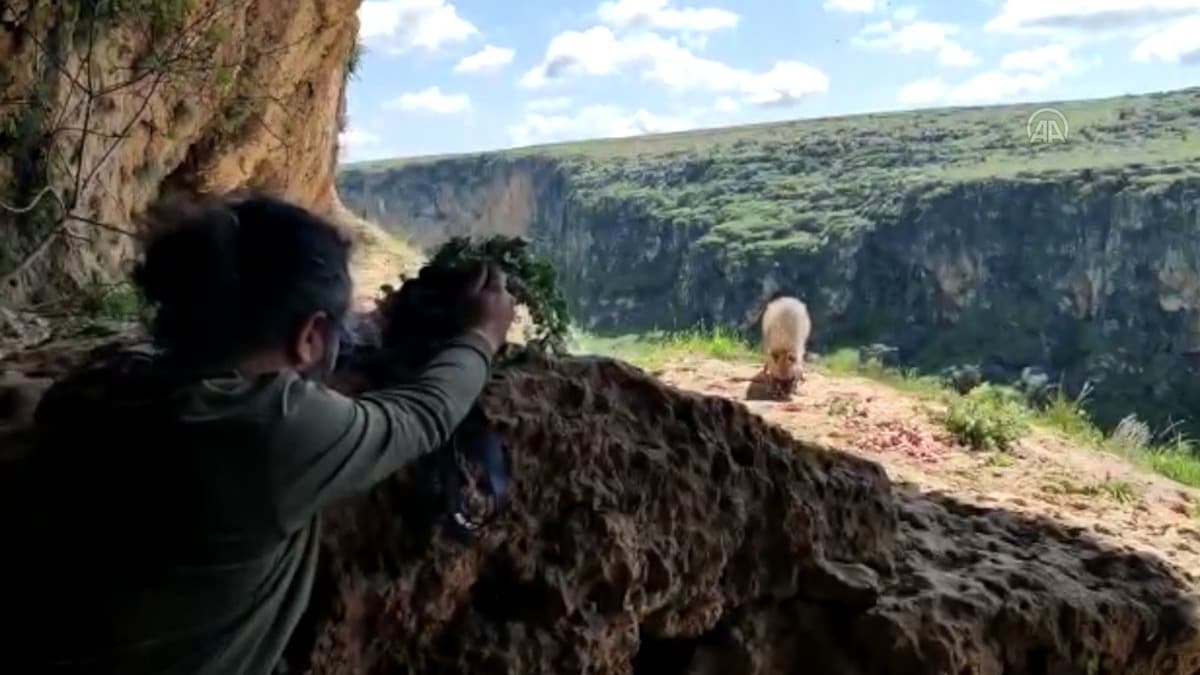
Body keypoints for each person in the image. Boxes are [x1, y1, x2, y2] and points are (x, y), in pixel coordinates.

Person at [7, 192, 516, 674]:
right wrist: (481, 334)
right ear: (309, 337)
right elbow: (422, 416)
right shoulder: (269, 435)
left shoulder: (104, 381)